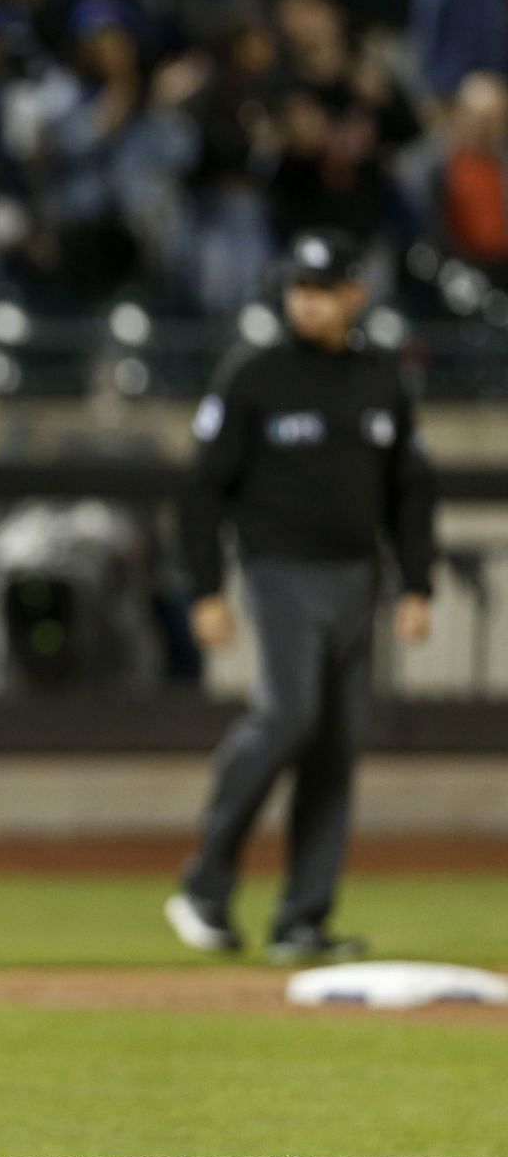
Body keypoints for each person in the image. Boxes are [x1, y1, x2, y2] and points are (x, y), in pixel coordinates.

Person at [168, 228, 437, 966]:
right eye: (299, 289)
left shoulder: (382, 378)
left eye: (322, 289)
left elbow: (411, 491)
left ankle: (302, 918)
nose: (308, 303)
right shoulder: (255, 374)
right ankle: (205, 883)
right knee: (288, 715)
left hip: (359, 577)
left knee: (337, 744)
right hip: (278, 571)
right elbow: (201, 490)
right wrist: (206, 588)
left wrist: (417, 582)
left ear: (355, 293)